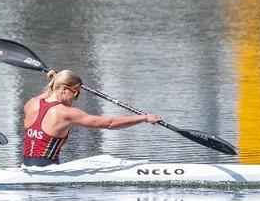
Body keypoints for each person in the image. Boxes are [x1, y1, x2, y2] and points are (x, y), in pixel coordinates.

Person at [23, 70, 162, 167]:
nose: (76, 98)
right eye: (76, 93)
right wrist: (143, 118)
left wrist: (56, 79)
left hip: (26, 167)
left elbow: (48, 93)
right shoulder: (66, 113)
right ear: (64, 89)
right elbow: (109, 123)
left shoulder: (31, 103)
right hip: (48, 172)